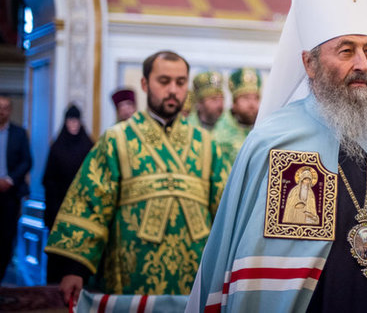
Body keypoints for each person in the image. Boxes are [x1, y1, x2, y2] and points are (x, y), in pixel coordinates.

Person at [187, 0, 367, 312]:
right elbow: (257, 277)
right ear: (309, 64)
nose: (362, 64)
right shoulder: (273, 144)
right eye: (346, 51)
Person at [45, 51, 230, 303]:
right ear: (144, 84)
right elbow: (88, 203)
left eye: (180, 82)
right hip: (130, 272)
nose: (173, 90)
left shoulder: (207, 145)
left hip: (193, 273)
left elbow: (226, 211)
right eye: (164, 81)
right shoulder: (117, 140)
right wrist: (74, 269)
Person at [42, 105, 94, 283]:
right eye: (70, 120)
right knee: (59, 258)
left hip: (82, 212)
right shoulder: (57, 147)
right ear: (65, 122)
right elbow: (48, 179)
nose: (73, 124)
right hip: (59, 210)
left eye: (76, 120)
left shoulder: (89, 145)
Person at [0, 95, 32, 282]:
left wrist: (10, 180)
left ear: (10, 110)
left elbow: (27, 161)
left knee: (6, 238)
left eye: (5, 107)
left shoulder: (19, 134)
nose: (1, 111)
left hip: (10, 195)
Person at [213, 67, 261, 160]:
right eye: (246, 98)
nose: (252, 104)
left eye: (256, 98)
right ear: (234, 103)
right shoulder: (219, 135)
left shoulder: (264, 129)